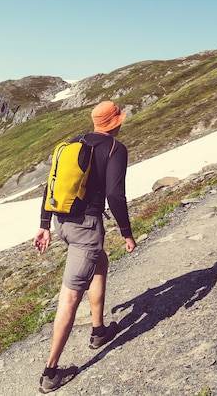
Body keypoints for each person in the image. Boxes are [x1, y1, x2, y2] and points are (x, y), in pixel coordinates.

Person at [33, 100, 136, 393]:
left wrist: (44, 224)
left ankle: (99, 330)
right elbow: (116, 195)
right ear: (116, 122)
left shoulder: (76, 143)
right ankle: (51, 372)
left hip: (63, 225)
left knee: (100, 261)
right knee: (70, 297)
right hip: (86, 229)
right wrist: (127, 233)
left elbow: (50, 184)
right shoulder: (115, 149)